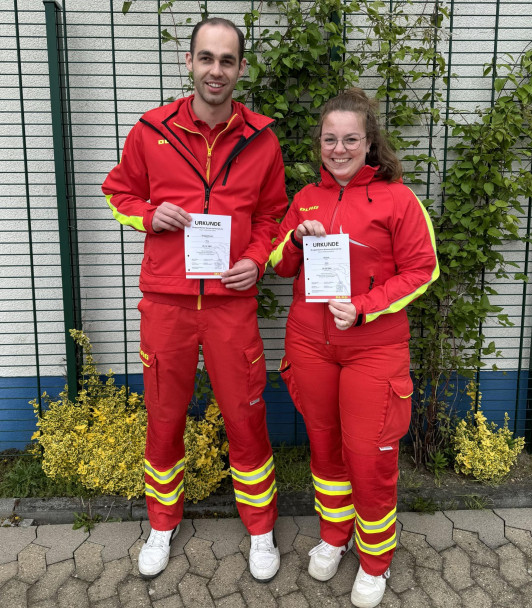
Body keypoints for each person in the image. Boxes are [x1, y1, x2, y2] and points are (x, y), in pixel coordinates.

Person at [102, 17, 287, 582]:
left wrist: (256, 259)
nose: (216, 70)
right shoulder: (150, 130)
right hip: (167, 303)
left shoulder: (262, 139)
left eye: (227, 60)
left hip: (231, 305)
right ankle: (162, 523)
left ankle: (261, 529)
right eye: (206, 57)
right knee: (164, 416)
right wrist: (147, 214)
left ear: (241, 68)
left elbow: (273, 215)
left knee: (246, 415)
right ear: (189, 61)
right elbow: (117, 191)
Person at [269, 88, 439, 607]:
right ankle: (334, 536)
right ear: (319, 143)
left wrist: (365, 306)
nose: (339, 149)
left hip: (373, 348)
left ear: (369, 144)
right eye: (330, 139)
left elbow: (423, 269)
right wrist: (296, 239)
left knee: (368, 457)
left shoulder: (399, 199)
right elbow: (279, 263)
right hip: (311, 345)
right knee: (325, 448)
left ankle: (375, 559)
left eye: (350, 139)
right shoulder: (305, 198)